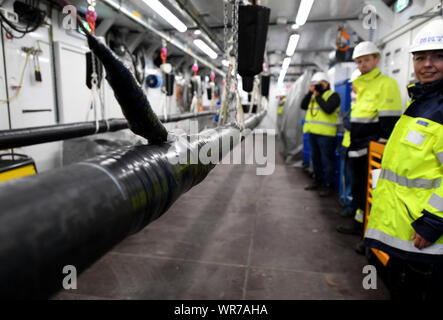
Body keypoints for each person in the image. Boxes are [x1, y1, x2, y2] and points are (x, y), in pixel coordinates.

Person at [364, 19, 443, 301]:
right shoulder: (422, 100)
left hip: (427, 234)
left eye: (438, 56)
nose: (428, 64)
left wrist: (433, 223)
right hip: (408, 228)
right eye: (421, 57)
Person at [336, 41, 402, 236]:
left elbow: (389, 122)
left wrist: (380, 146)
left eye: (366, 60)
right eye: (359, 61)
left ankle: (370, 232)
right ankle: (359, 223)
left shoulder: (386, 84)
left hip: (372, 149)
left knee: (371, 191)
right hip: (357, 146)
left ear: (376, 60)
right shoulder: (360, 86)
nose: (362, 64)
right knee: (359, 188)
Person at [301, 72, 341, 197]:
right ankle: (317, 181)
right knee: (316, 159)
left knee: (327, 160)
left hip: (326, 135)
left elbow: (328, 109)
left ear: (326, 84)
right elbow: (303, 105)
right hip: (313, 133)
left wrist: (318, 96)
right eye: (314, 84)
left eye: (318, 84)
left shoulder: (334, 95)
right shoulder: (313, 96)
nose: (316, 86)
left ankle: (328, 185)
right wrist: (310, 93)